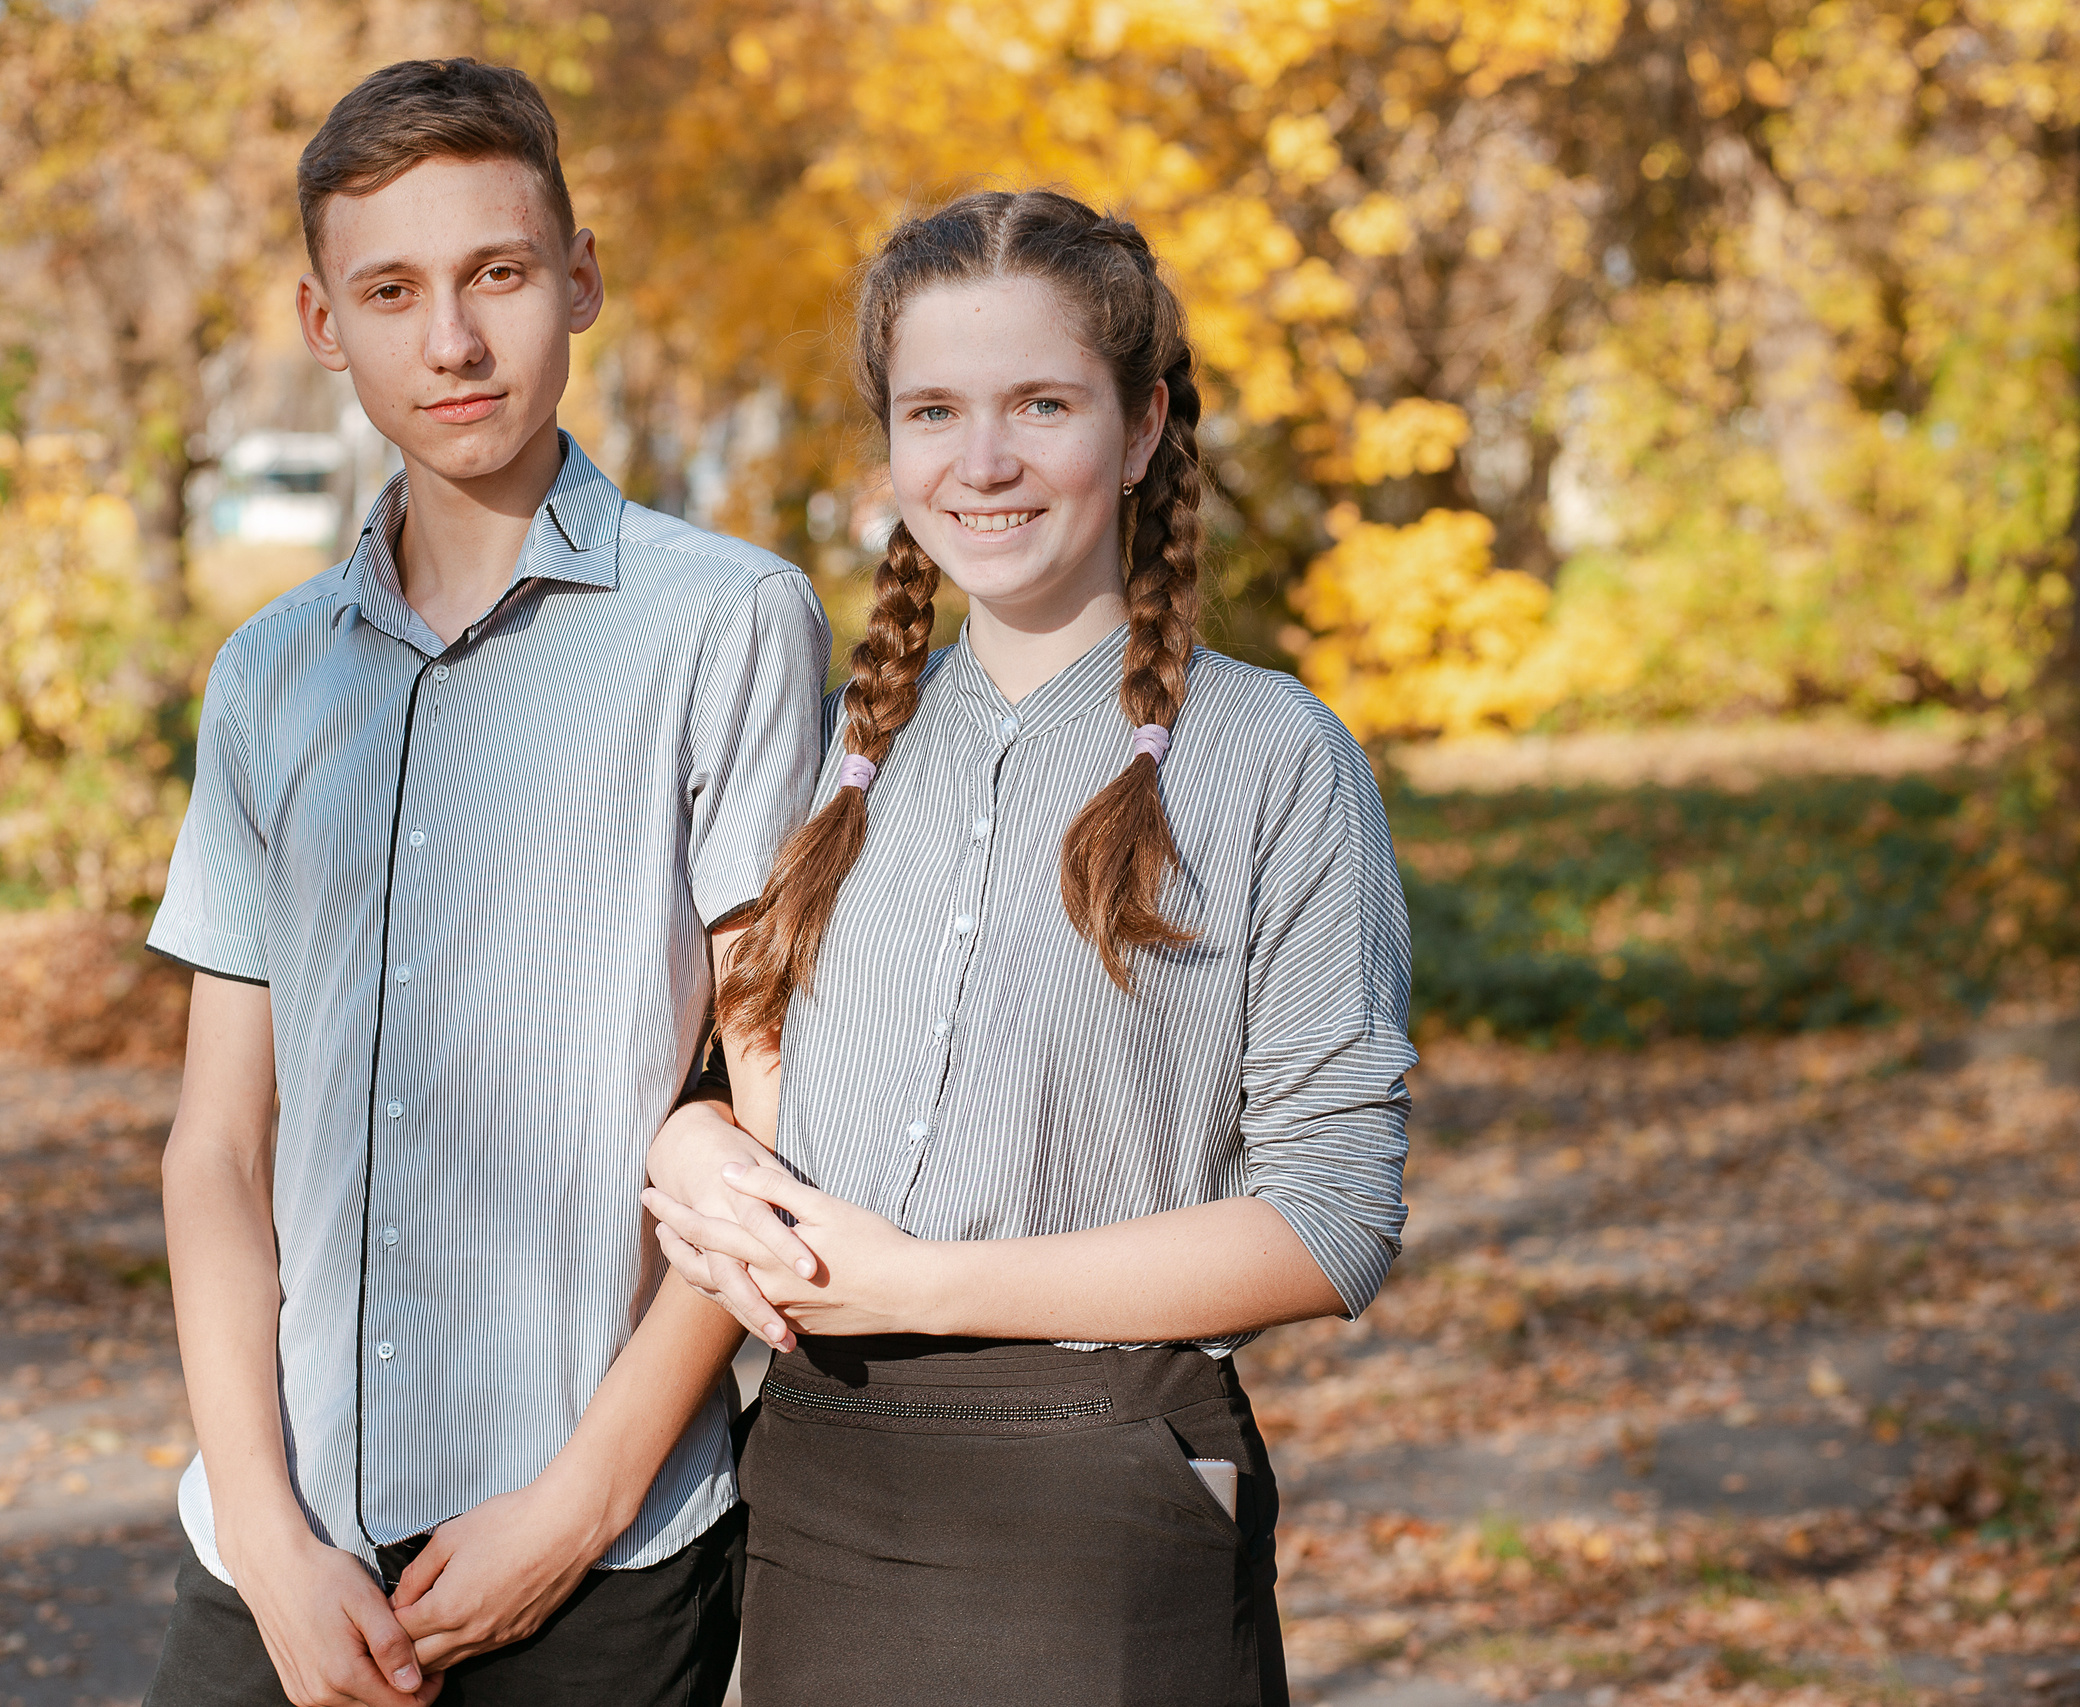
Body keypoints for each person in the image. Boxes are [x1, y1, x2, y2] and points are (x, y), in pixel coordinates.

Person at [643, 188, 1415, 1706]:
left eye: (1041, 404)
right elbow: (740, 1087)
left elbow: (1332, 1224)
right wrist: (687, 1151)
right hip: (815, 1481)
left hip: (1104, 1495)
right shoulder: (830, 750)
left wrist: (924, 1281)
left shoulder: (1275, 755)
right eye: (934, 409)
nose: (981, 462)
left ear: (1139, 432)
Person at [142, 57, 825, 1707]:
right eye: (392, 291)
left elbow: (780, 1108)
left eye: (497, 275)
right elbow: (219, 1145)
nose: (450, 343)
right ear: (325, 323)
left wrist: (579, 1504)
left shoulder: (727, 624)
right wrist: (264, 1528)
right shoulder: (267, 675)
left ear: (577, 278)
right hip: (276, 1554)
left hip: (595, 1550)